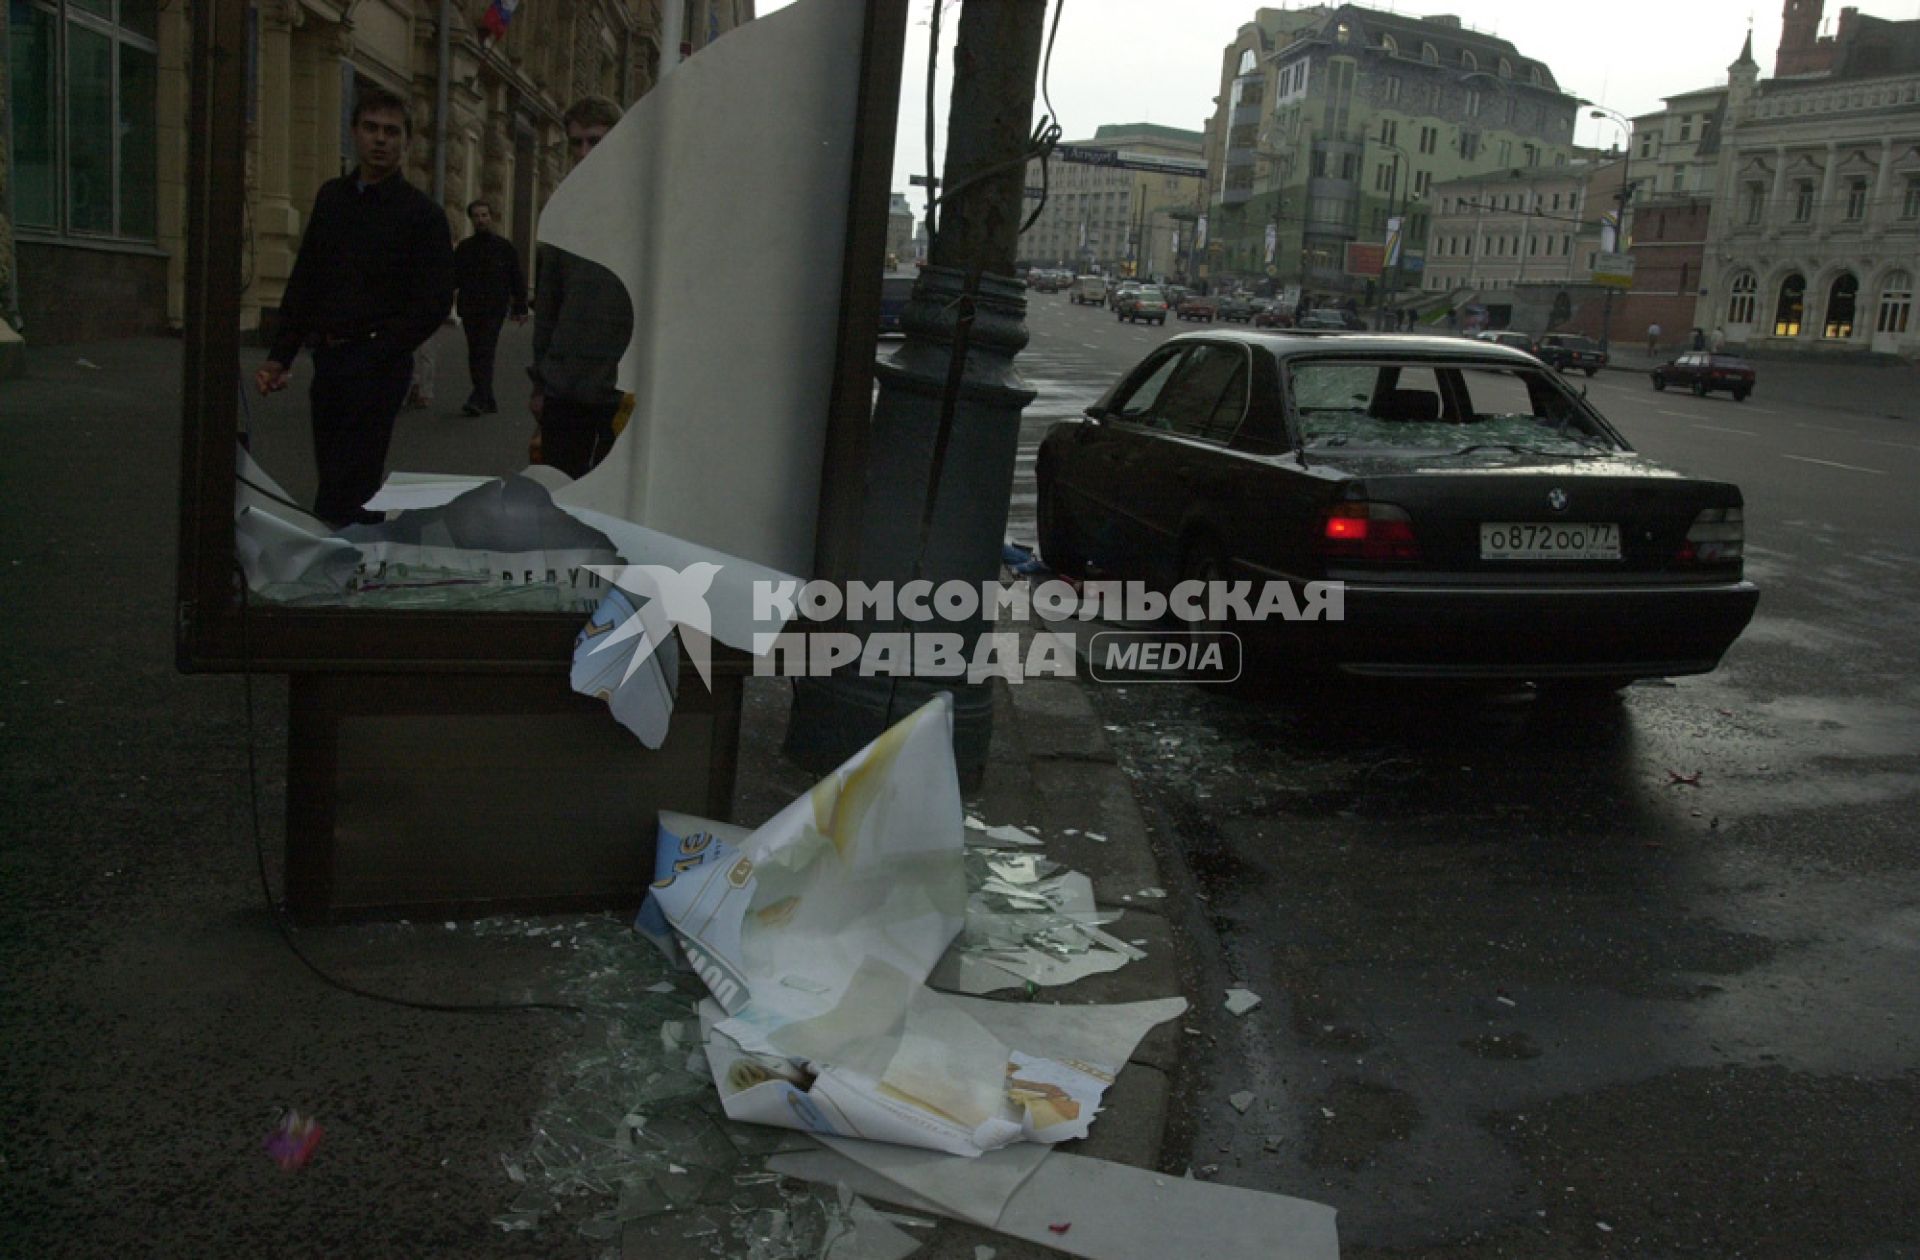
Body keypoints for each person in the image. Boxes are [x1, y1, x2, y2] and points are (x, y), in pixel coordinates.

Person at [255, 85, 454, 528]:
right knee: (334, 470)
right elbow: (307, 279)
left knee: (351, 479)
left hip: (378, 366)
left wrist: (383, 348)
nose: (380, 139)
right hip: (329, 360)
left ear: (406, 141)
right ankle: (357, 558)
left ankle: (335, 565)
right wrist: (280, 355)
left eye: (391, 131)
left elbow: (436, 299)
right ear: (354, 133)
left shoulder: (421, 215)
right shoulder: (332, 198)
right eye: (370, 128)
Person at [530, 95, 635, 479]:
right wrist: (541, 383)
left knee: (612, 507)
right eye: (576, 142)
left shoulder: (647, 208)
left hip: (621, 391)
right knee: (559, 496)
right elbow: (548, 306)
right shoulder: (564, 213)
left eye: (596, 141)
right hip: (566, 389)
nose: (584, 152)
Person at [452, 198, 528, 415]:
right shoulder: (465, 249)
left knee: (485, 350)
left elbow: (516, 278)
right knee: (475, 352)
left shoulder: (504, 248)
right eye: (476, 216)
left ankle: (477, 398)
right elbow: (453, 278)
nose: (481, 220)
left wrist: (521, 306)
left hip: (494, 309)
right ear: (471, 220)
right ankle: (487, 398)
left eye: (484, 215)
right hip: (470, 308)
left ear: (491, 218)